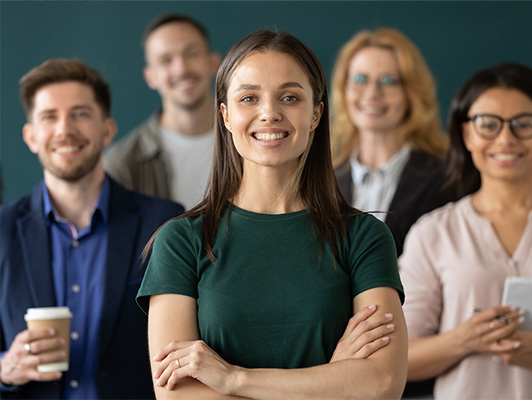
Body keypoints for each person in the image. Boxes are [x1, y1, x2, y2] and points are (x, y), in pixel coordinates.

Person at [136, 29, 408, 399]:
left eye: (290, 97)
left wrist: (233, 379)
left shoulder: (364, 237)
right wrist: (332, 379)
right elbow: (177, 395)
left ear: (316, 114)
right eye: (249, 98)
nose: (269, 113)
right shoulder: (180, 242)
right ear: (226, 115)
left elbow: (381, 383)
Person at [399, 63, 532, 399]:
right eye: (488, 125)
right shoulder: (433, 232)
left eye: (523, 124)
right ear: (466, 135)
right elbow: (398, 360)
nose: (506, 139)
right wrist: (466, 339)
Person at [0, 59, 184, 399]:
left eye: (81, 113)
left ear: (108, 130)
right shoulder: (3, 229)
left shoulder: (165, 223)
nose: (64, 129)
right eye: (49, 116)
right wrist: (4, 368)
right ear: (31, 136)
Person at [330, 28, 455, 259]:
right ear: (343, 89)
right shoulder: (323, 181)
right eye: (359, 79)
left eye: (388, 81)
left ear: (411, 93)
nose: (372, 93)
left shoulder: (448, 180)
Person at [103, 13, 221, 210]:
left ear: (214, 62)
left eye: (191, 54)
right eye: (166, 60)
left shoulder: (253, 141)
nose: (181, 69)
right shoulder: (121, 165)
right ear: (151, 77)